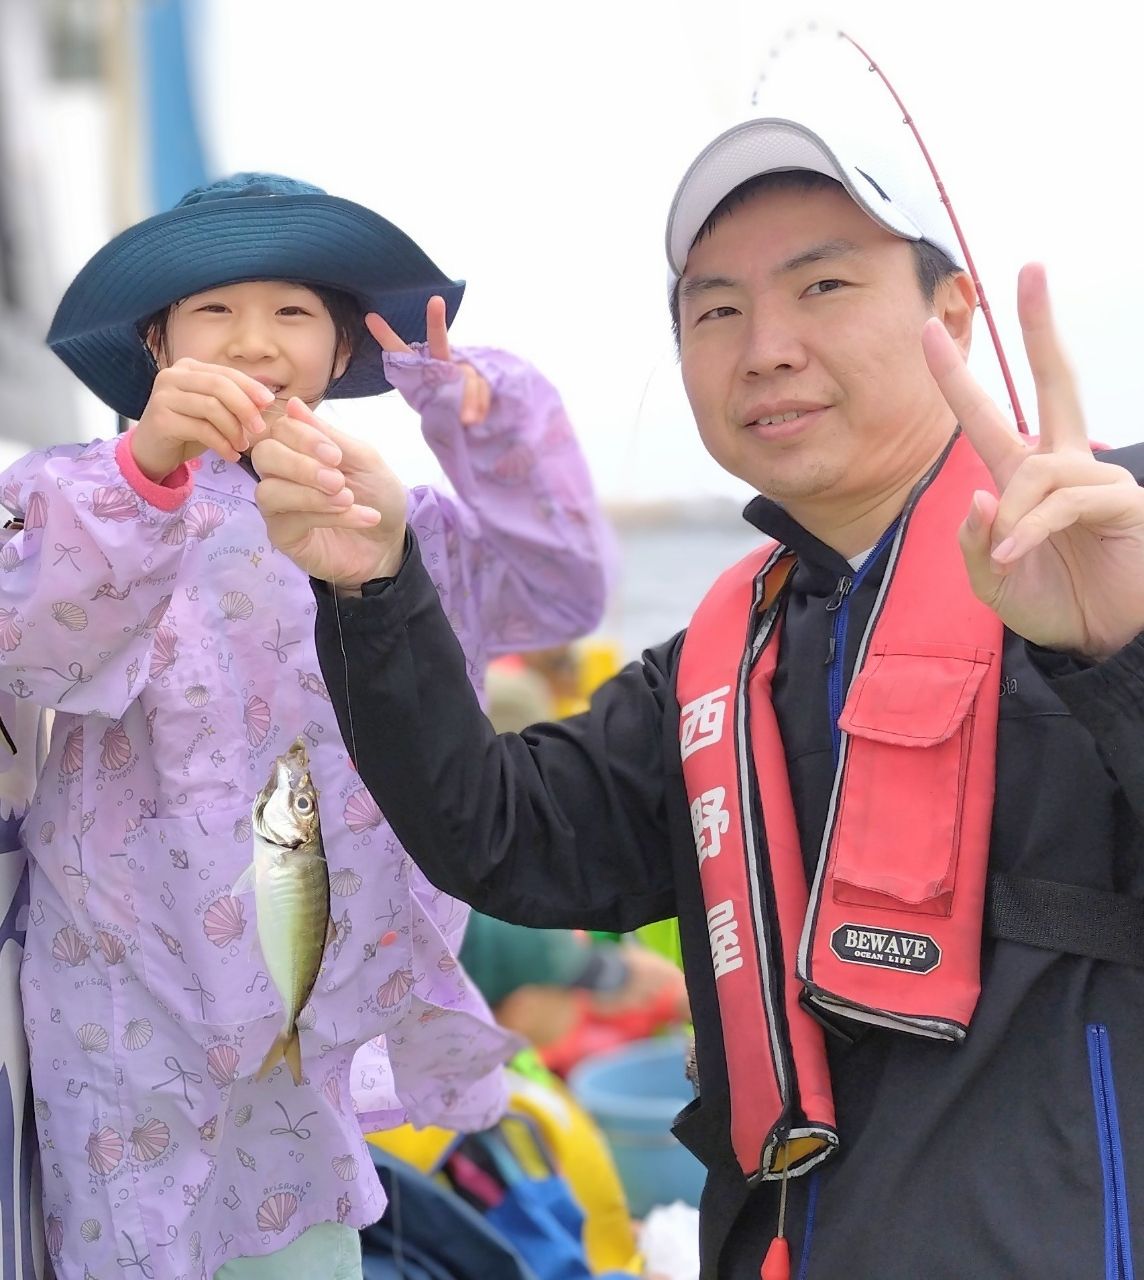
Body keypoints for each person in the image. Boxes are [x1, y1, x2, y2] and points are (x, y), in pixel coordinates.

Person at [252, 107, 1144, 1279]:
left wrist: (1115, 654)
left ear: (953, 314)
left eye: (822, 286)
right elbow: (499, 828)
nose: (764, 345)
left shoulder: (1110, 541)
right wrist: (375, 584)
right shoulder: (729, 654)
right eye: (715, 309)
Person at [3, 172, 612, 1279]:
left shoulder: (389, 522)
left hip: (304, 1027)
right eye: (215, 313)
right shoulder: (83, 491)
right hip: (127, 1010)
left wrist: (484, 423)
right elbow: (25, 635)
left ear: (343, 354)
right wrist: (147, 474)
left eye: (292, 313)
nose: (254, 340)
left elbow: (561, 586)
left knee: (303, 1250)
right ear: (157, 344)